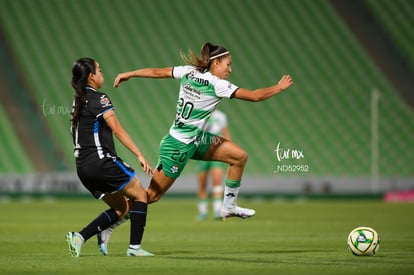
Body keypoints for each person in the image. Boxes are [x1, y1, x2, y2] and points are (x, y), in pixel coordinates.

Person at [96, 42, 293, 253]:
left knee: (239, 157)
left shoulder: (189, 72)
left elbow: (157, 72)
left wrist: (131, 73)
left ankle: (228, 205)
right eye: (228, 64)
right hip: (178, 147)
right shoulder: (217, 84)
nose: (230, 69)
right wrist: (278, 87)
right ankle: (108, 226)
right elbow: (254, 96)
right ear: (216, 63)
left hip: (195, 140)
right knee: (150, 196)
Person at [65, 57, 154, 257]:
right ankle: (134, 249)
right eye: (100, 70)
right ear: (91, 76)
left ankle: (78, 237)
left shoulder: (77, 101)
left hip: (83, 167)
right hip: (101, 162)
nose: (102, 74)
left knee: (122, 208)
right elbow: (118, 131)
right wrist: (139, 154)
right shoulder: (100, 99)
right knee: (141, 195)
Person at [196, 109, 230, 220]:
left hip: (217, 152)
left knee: (217, 182)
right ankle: (203, 212)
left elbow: (226, 135)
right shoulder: (199, 114)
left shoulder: (221, 116)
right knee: (202, 184)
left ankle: (217, 211)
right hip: (202, 152)